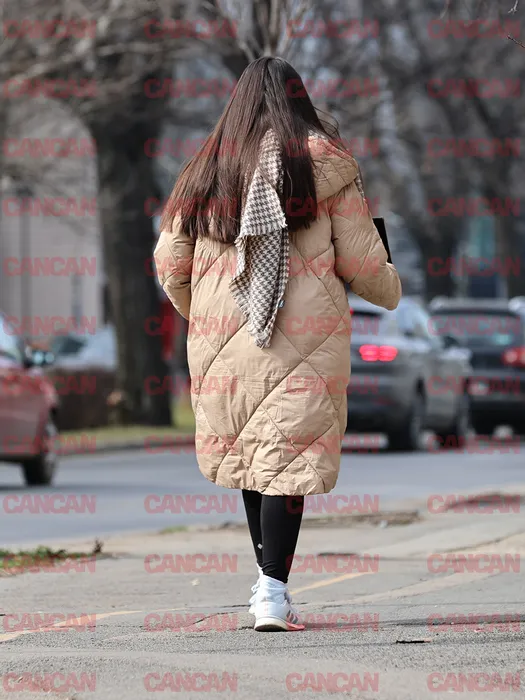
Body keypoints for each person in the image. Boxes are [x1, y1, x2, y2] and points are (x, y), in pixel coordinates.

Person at [154, 56, 402, 632]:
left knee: (252, 456)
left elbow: (171, 264)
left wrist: (204, 316)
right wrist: (390, 287)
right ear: (300, 100)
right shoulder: (327, 167)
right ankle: (272, 590)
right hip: (306, 339)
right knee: (285, 460)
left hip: (223, 339)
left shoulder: (205, 170)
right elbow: (363, 263)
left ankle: (268, 587)